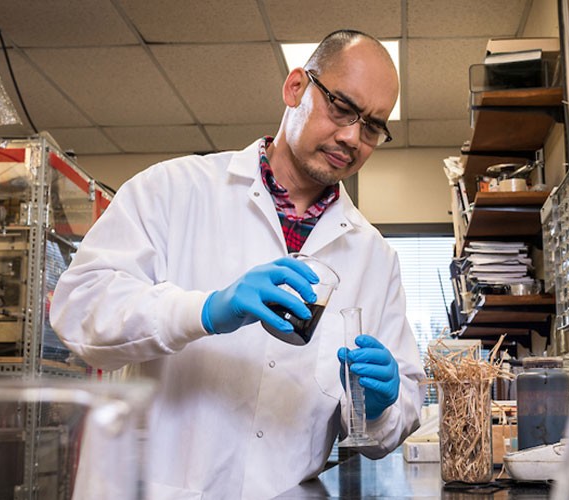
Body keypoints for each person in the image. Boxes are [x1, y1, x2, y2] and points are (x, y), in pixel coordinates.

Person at [50, 29, 426, 499]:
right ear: (296, 89)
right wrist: (204, 310)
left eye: (371, 126)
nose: (351, 136)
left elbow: (395, 421)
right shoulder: (172, 190)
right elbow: (78, 310)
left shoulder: (375, 257)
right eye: (341, 107)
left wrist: (382, 405)